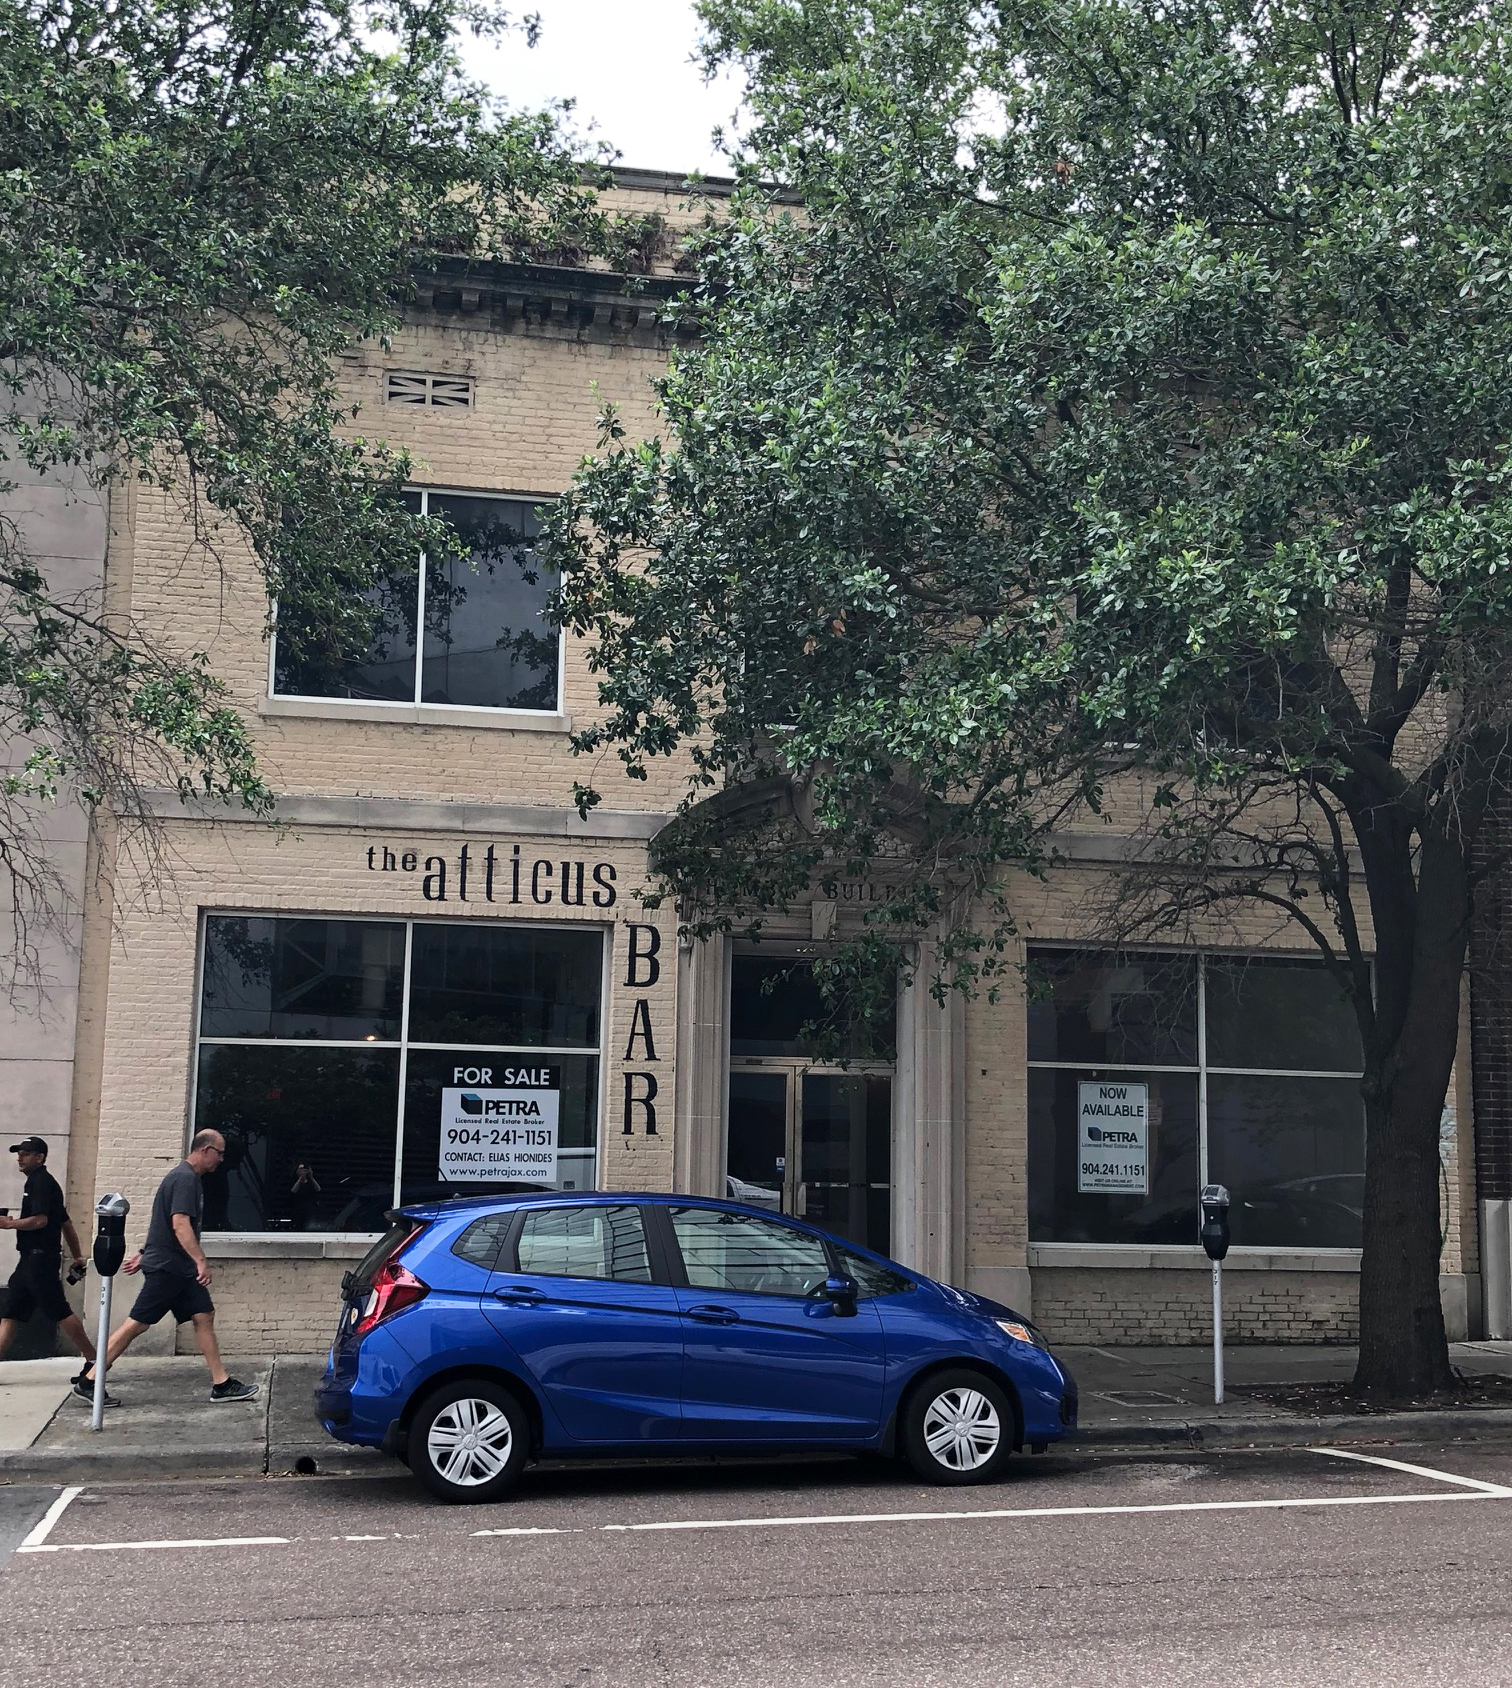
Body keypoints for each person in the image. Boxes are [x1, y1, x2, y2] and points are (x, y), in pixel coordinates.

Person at [74, 1129, 258, 1404]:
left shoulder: (185, 1177)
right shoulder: (185, 1179)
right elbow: (179, 1223)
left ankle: (221, 1383)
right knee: (136, 1324)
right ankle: (91, 1380)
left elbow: (159, 1222)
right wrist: (201, 1261)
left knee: (203, 1315)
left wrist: (142, 1252)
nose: (221, 1160)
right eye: (219, 1153)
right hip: (170, 1268)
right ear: (206, 1150)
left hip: (177, 1268)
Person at [0, 1137, 99, 1374]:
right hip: (29, 1260)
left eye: (26, 1153)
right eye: (19, 1153)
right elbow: (65, 1223)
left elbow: (40, 1220)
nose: (20, 1158)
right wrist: (78, 1256)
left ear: (40, 1157)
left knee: (58, 1310)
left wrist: (8, 1225)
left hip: (40, 1260)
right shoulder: (40, 1183)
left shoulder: (41, 1183)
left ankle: (95, 1361)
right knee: (11, 1311)